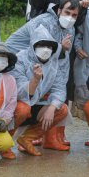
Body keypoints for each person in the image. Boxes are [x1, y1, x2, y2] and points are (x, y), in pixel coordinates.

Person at [6, 0, 79, 150]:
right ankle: (4, 142)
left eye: (74, 15)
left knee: (58, 106)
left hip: (44, 65)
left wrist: (54, 103)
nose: (70, 18)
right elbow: (41, 45)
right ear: (58, 10)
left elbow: (61, 62)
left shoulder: (70, 28)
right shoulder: (43, 22)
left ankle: (33, 139)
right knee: (22, 107)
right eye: (67, 12)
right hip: (19, 62)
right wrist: (59, 47)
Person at [9, 26, 69, 156]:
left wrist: (52, 108)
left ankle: (27, 139)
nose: (46, 50)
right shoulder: (20, 59)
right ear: (33, 45)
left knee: (61, 109)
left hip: (37, 106)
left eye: (49, 46)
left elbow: (59, 88)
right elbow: (19, 92)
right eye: (41, 45)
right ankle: (6, 144)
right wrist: (35, 81)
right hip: (17, 105)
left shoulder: (53, 63)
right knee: (23, 109)